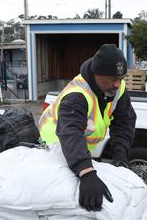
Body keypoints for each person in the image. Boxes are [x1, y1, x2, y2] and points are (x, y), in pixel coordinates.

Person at [39, 44, 137, 212]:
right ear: (96, 74)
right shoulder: (78, 95)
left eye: (121, 79)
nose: (117, 84)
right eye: (113, 79)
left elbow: (124, 122)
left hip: (77, 151)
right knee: (56, 201)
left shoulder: (117, 89)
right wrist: (85, 171)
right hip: (53, 149)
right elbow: (71, 132)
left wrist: (120, 155)